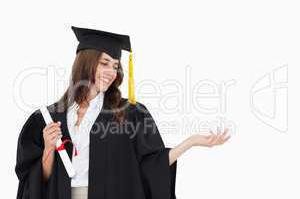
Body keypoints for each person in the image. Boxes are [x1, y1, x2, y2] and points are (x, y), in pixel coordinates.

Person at [15, 26, 230, 199]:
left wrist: (190, 142)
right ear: (86, 62)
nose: (111, 72)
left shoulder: (129, 114)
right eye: (104, 63)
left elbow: (151, 165)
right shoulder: (45, 119)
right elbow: (35, 182)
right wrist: (48, 150)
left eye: (115, 66)